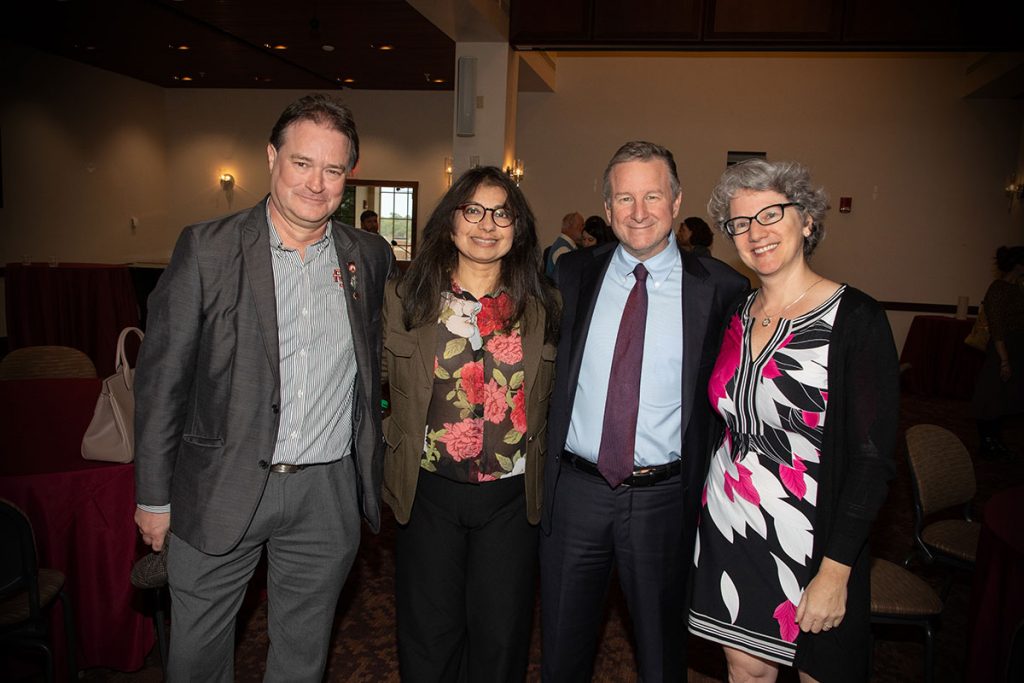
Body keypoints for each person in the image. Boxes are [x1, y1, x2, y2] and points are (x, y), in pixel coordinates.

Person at [133, 94, 394, 682]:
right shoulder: (208, 248)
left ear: (348, 176)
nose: (316, 182)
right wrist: (153, 495)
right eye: (303, 163)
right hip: (219, 485)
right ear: (272, 157)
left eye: (333, 169)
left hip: (326, 493)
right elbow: (161, 382)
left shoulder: (367, 256)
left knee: (302, 658)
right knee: (196, 658)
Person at [540, 141, 748, 681]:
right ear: (606, 210)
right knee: (562, 649)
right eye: (624, 198)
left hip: (663, 501)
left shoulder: (722, 289)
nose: (638, 212)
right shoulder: (571, 275)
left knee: (661, 655)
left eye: (652, 196)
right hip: (576, 494)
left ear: (676, 201)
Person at [687, 158, 899, 682]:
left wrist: (837, 569)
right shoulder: (734, 313)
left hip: (815, 536)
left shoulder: (855, 318)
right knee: (745, 673)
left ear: (806, 220)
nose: (755, 233)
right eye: (739, 223)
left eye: (771, 214)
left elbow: (873, 463)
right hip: (731, 525)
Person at [382, 165, 560, 682]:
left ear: (518, 226)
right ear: (451, 221)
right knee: (428, 635)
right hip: (428, 494)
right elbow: (370, 380)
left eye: (502, 213)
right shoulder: (405, 300)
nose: (487, 224)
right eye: (473, 210)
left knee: (501, 639)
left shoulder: (545, 304)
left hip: (511, 501)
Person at [973, 245, 1024, 458]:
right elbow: (997, 326)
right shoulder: (998, 288)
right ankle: (987, 441)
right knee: (991, 394)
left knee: (1005, 395)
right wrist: (1004, 359)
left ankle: (996, 439)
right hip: (1002, 347)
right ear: (1018, 265)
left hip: (1017, 346)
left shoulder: (1018, 288)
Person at [544, 211, 584, 276]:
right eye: (581, 225)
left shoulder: (565, 246)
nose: (583, 229)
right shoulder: (563, 250)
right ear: (572, 227)